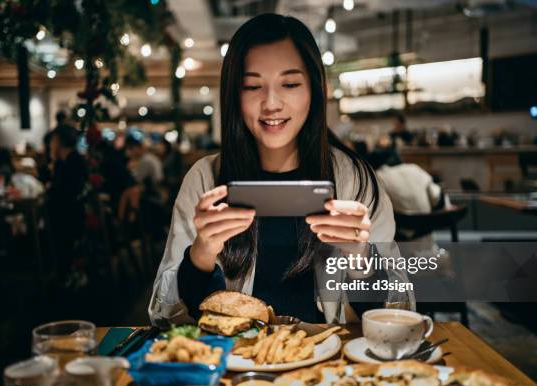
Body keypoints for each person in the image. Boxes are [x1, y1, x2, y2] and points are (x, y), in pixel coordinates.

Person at [149, 14, 411, 325]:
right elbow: (164, 317)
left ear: (314, 89)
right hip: (234, 366)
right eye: (252, 86)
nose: (271, 103)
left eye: (289, 84)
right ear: (234, 94)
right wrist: (201, 256)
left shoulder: (355, 180)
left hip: (329, 367)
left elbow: (399, 312)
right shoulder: (206, 179)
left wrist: (361, 260)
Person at [47, 124, 87, 278]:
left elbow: (62, 194)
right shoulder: (69, 161)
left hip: (69, 222)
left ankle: (63, 276)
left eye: (52, 141)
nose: (50, 145)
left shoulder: (72, 163)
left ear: (58, 142)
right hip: (69, 219)